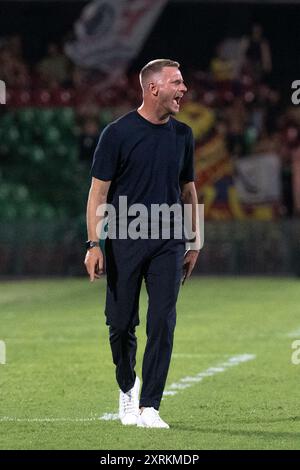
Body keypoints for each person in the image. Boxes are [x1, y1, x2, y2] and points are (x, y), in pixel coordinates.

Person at [84, 59, 200, 429]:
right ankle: (127, 384)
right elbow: (98, 192)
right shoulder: (117, 134)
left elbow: (189, 191)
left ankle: (150, 405)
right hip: (124, 240)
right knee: (120, 325)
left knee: (163, 321)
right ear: (153, 88)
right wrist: (94, 243)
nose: (183, 89)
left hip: (169, 241)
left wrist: (194, 242)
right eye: (177, 82)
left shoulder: (183, 136)